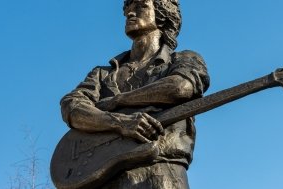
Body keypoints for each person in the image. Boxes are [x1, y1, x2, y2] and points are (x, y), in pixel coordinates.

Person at [60, 0, 209, 188]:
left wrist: (118, 100)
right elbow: (71, 107)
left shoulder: (184, 59)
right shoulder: (102, 74)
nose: (130, 13)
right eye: (127, 10)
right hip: (106, 176)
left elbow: (180, 87)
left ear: (163, 14)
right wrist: (120, 123)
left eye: (140, 6)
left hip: (161, 170)